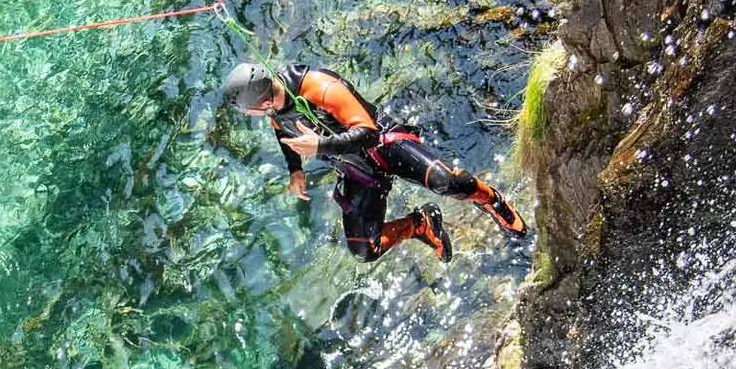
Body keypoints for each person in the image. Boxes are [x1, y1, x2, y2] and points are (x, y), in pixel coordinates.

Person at [222, 61, 528, 264]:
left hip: (383, 143)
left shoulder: (317, 86)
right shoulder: (274, 108)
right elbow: (281, 130)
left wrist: (320, 145)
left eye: (251, 112)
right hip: (355, 167)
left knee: (447, 183)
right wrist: (295, 169)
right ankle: (419, 225)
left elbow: (367, 133)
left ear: (262, 102)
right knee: (364, 250)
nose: (257, 117)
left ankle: (491, 199)